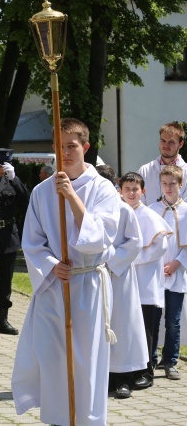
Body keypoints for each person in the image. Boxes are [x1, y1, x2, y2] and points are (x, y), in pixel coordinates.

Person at [12, 118, 120, 425]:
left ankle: (86, 420)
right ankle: (60, 418)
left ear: (85, 147)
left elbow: (99, 237)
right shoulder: (42, 192)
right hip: (55, 286)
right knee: (54, 359)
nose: (65, 152)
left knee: (86, 362)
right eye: (59, 147)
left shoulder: (103, 190)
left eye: (71, 146)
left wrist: (72, 196)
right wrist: (50, 265)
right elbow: (32, 242)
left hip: (88, 284)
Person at [96, 165, 146, 399]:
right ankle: (102, 377)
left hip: (118, 274)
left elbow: (135, 241)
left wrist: (111, 262)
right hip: (94, 275)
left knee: (122, 325)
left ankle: (124, 379)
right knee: (98, 326)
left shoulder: (124, 210)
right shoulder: (90, 209)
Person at [119, 171, 172, 391]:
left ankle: (146, 372)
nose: (131, 193)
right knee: (128, 330)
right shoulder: (118, 213)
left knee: (146, 330)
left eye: (135, 189)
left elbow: (160, 246)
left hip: (144, 284)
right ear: (120, 191)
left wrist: (128, 258)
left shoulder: (149, 216)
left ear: (143, 191)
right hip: (123, 283)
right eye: (127, 189)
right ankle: (128, 371)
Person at [0, 148, 30, 336]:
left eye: (6, 165)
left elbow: (27, 201)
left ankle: (3, 319)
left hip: (8, 236)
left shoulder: (10, 180)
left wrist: (15, 179)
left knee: (5, 281)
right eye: (0, 164)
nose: (3, 169)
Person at [149, 165, 187, 381]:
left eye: (173, 183)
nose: (169, 187)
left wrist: (176, 264)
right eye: (165, 183)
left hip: (177, 273)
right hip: (154, 275)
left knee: (173, 320)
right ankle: (150, 359)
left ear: (180, 184)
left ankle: (170, 361)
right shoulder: (153, 210)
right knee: (153, 319)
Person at [137, 122, 187, 205]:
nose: (166, 146)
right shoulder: (145, 171)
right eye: (163, 141)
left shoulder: (185, 172)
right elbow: (139, 205)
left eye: (171, 142)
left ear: (181, 144)